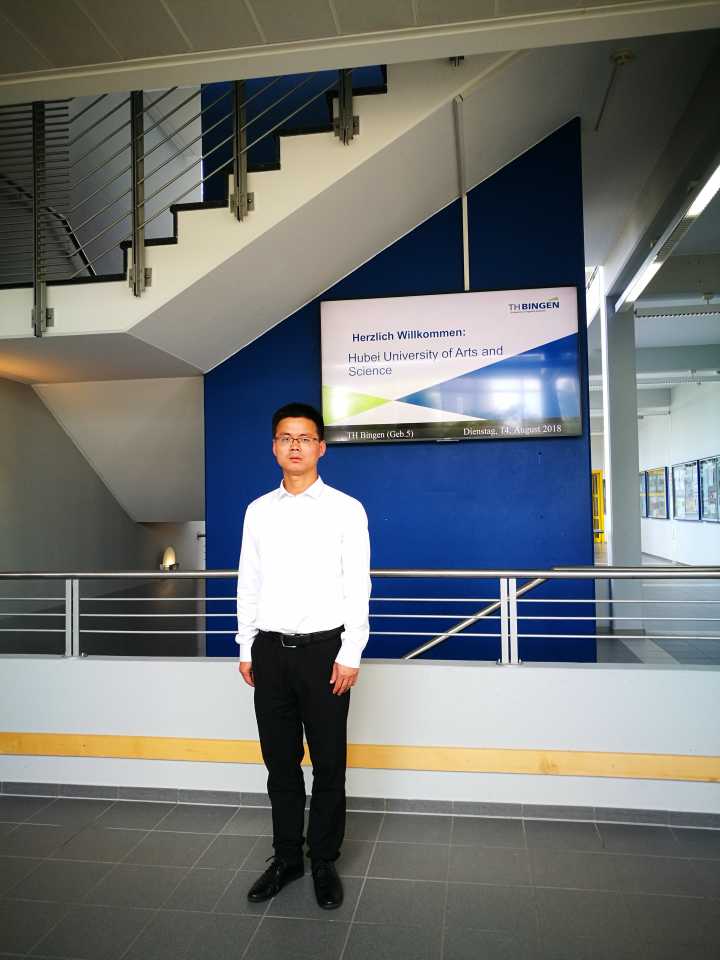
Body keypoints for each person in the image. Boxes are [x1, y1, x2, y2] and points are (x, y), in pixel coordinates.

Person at [236, 401, 371, 910]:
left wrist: (351, 651)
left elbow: (358, 585)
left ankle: (324, 861)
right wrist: (245, 645)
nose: (294, 446)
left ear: (320, 447)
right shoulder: (258, 511)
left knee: (329, 763)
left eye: (304, 438)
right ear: (274, 446)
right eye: (285, 437)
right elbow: (248, 582)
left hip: (325, 653)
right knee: (280, 763)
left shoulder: (346, 509)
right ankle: (287, 857)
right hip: (269, 652)